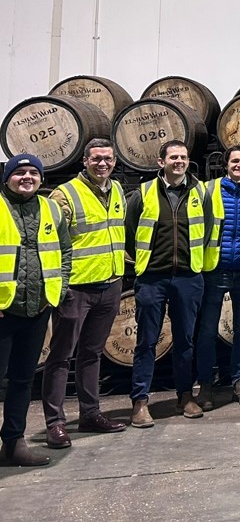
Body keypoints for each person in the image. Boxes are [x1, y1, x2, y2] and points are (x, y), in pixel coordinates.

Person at [42, 138, 126, 449]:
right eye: (96, 159)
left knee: (92, 354)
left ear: (114, 161)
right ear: (85, 161)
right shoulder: (64, 195)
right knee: (61, 356)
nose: (102, 164)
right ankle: (55, 422)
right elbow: (49, 243)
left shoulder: (116, 190)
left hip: (110, 284)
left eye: (107, 159)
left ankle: (90, 413)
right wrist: (60, 286)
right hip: (76, 289)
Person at [123, 140, 209, 426]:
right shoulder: (143, 193)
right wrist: (145, 261)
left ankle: (185, 396)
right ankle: (140, 402)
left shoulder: (201, 192)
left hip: (188, 276)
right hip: (152, 278)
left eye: (183, 156)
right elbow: (130, 231)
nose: (179, 161)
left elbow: (208, 229)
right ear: (161, 162)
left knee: (185, 341)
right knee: (147, 341)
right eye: (173, 157)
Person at [0, 155, 69, 466]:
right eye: (20, 172)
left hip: (37, 307)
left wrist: (59, 289)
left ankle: (14, 444)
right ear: (7, 177)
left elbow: (65, 249)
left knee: (22, 380)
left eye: (33, 173)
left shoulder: (50, 208)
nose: (27, 177)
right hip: (4, 309)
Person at [194, 146, 240, 410]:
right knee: (207, 332)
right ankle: (205, 384)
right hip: (215, 268)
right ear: (226, 164)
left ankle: (239, 382)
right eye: (235, 160)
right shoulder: (208, 189)